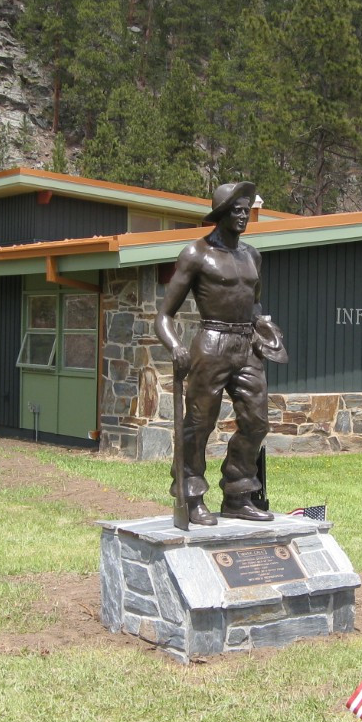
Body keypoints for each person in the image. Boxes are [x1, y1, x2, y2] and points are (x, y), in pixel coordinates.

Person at [157, 181, 287, 526]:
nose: (244, 216)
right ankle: (192, 495)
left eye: (247, 210)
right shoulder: (196, 254)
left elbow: (254, 298)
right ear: (221, 213)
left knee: (257, 422)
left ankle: (238, 493)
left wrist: (262, 324)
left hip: (246, 346)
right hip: (211, 343)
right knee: (198, 425)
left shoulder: (252, 255)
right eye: (237, 210)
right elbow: (164, 315)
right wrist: (175, 346)